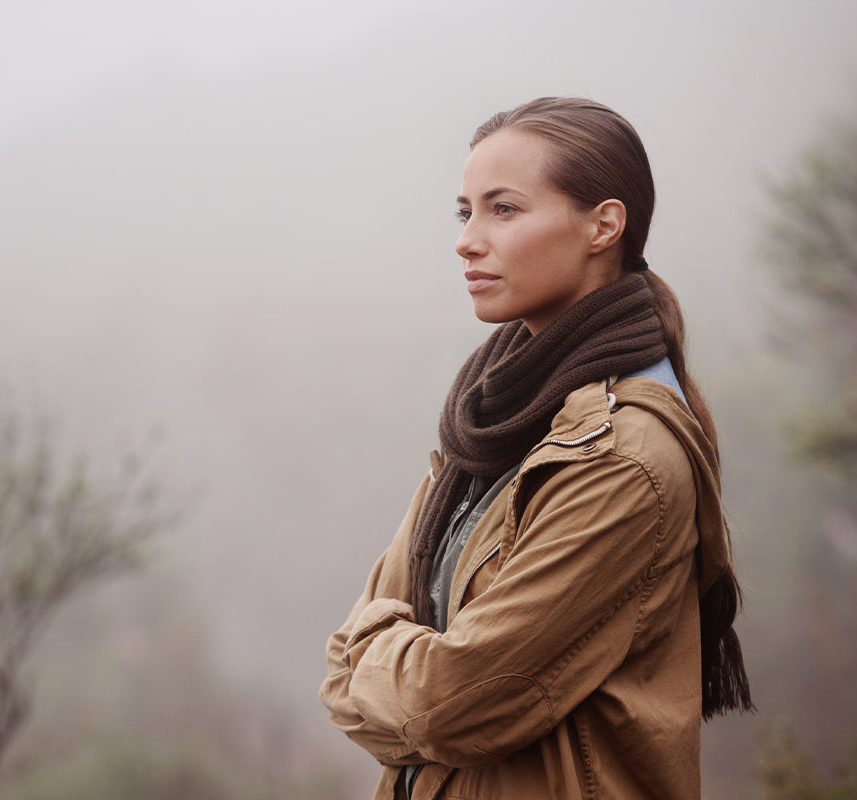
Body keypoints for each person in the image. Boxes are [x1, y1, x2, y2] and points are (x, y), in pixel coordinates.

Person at [319, 97, 753, 800]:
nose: (467, 239)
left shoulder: (624, 459)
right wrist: (407, 678)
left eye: (505, 210)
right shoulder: (490, 420)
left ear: (603, 226)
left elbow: (451, 704)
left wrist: (389, 669)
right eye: (465, 213)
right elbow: (340, 673)